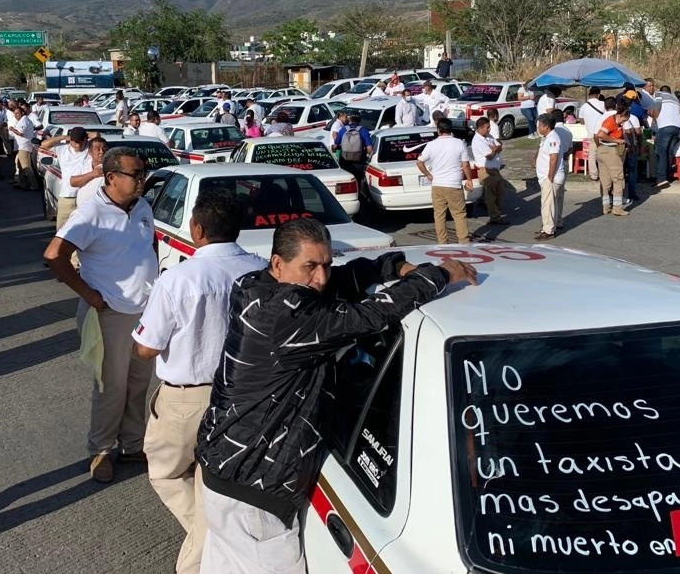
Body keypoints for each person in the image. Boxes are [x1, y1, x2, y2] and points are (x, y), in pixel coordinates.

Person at [195, 218, 476, 574]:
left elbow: (341, 280)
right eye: (310, 267)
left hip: (228, 473)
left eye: (326, 263)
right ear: (278, 263)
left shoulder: (256, 286)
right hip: (255, 495)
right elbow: (370, 316)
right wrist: (438, 275)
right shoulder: (285, 317)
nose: (322, 277)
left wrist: (390, 265)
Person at [132, 189, 267, 574]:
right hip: (246, 394)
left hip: (188, 398)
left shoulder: (178, 279)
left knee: (167, 471)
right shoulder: (259, 271)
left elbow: (145, 348)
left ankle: (206, 550)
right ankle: (214, 536)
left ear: (197, 228)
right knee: (216, 478)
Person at [44, 147, 158, 482]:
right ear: (111, 178)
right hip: (110, 312)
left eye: (143, 173)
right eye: (135, 175)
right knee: (111, 386)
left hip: (144, 311)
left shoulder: (143, 207)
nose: (142, 180)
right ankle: (101, 449)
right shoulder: (91, 212)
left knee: (138, 382)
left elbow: (147, 247)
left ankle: (132, 443)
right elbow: (54, 255)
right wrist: (91, 296)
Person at [416, 118, 475, 244]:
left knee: (439, 215)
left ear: (438, 130)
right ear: (450, 129)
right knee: (459, 214)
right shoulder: (459, 143)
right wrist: (469, 179)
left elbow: (419, 162)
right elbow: (465, 165)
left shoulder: (431, 144)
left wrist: (428, 174)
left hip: (437, 185)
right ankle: (464, 241)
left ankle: (442, 242)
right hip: (454, 185)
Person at [39, 127, 91, 230]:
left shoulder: (92, 149)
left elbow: (97, 136)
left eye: (81, 141)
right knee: (63, 231)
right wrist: (64, 137)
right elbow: (44, 145)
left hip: (87, 197)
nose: (78, 145)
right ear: (70, 140)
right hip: (68, 197)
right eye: (75, 142)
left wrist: (86, 135)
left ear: (86, 139)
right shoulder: (62, 149)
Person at [594, 103, 631, 216]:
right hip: (610, 152)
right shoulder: (611, 122)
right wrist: (617, 141)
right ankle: (617, 208)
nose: (623, 123)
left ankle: (606, 206)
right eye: (623, 120)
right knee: (618, 179)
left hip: (602, 152)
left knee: (605, 181)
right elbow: (600, 134)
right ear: (619, 115)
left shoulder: (612, 121)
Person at [534, 113, 566, 240]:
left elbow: (554, 158)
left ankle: (548, 231)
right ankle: (553, 225)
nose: (538, 128)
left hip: (551, 178)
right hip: (547, 178)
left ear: (546, 126)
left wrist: (550, 176)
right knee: (552, 203)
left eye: (539, 126)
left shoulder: (553, 138)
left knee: (547, 205)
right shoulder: (547, 137)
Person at [470, 113, 507, 224]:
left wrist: (494, 149)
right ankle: (495, 217)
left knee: (500, 192)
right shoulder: (477, 141)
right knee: (491, 195)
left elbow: (499, 146)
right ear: (480, 128)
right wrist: (495, 149)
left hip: (495, 169)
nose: (489, 129)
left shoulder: (488, 136)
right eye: (487, 127)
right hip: (486, 170)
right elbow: (489, 155)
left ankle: (496, 212)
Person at [653, 86, 680, 188]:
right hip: (676, 127)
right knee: (668, 153)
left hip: (665, 127)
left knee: (661, 152)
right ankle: (667, 176)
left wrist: (654, 120)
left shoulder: (659, 94)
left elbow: (657, 107)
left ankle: (661, 178)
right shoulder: (675, 98)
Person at [333, 114, 372, 189]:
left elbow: (335, 146)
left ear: (349, 120)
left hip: (345, 160)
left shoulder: (343, 129)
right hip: (358, 160)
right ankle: (358, 196)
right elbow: (369, 149)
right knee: (357, 181)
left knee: (345, 181)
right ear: (359, 121)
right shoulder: (363, 130)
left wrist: (334, 148)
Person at [9, 105, 38, 191]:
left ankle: (34, 185)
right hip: (22, 146)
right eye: (15, 114)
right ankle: (22, 184)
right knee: (20, 166)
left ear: (22, 113)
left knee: (26, 167)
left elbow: (20, 133)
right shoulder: (23, 120)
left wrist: (12, 129)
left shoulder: (24, 120)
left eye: (17, 113)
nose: (16, 115)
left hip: (24, 147)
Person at [579, 87, 605, 180]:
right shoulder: (603, 104)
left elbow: (581, 121)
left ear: (589, 94)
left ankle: (594, 175)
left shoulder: (583, 106)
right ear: (598, 94)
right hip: (603, 134)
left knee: (592, 155)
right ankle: (604, 174)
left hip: (591, 134)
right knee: (604, 154)